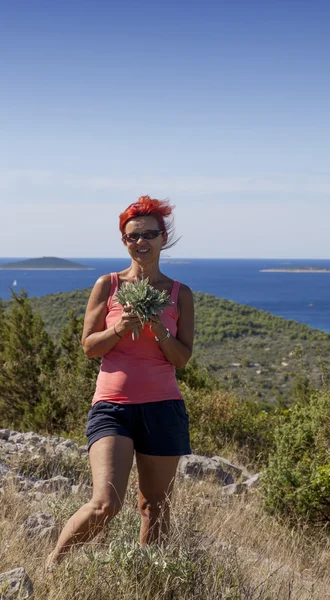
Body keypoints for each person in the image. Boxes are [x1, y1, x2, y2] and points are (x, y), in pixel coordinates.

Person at [46, 196, 194, 566]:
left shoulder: (180, 294)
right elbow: (88, 347)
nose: (141, 241)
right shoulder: (107, 285)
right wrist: (119, 328)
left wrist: (159, 330)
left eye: (149, 234)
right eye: (132, 236)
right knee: (105, 503)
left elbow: (182, 358)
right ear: (124, 241)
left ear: (164, 238)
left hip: (163, 408)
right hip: (112, 408)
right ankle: (53, 567)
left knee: (154, 507)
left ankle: (144, 580)